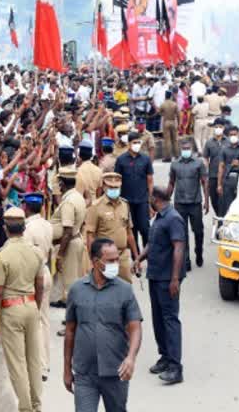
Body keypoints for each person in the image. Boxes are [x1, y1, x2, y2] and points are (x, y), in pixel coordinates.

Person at [63, 238, 142, 411]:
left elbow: (135, 327)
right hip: (85, 375)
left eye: (117, 259)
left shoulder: (125, 290)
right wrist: (67, 369)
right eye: (110, 260)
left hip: (116, 373)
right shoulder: (77, 290)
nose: (116, 263)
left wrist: (131, 358)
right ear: (95, 262)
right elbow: (70, 331)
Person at [0, 207, 44, 412]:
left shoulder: (2, 256)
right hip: (31, 305)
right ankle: (37, 404)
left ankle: (26, 408)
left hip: (12, 309)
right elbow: (40, 284)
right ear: (24, 227)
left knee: (17, 363)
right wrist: (35, 304)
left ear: (5, 228)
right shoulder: (36, 252)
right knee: (33, 359)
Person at [138, 186, 186, 384]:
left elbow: (178, 249)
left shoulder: (173, 218)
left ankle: (176, 367)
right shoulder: (159, 217)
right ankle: (165, 356)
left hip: (168, 279)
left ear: (156, 198)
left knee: (169, 320)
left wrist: (175, 279)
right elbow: (152, 243)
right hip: (156, 275)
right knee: (158, 318)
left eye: (150, 197)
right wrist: (139, 258)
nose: (149, 200)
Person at [21, 193, 53, 381]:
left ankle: (37, 366)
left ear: (26, 207)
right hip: (46, 271)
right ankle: (44, 364)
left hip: (34, 276)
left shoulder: (28, 229)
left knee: (34, 323)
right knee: (44, 321)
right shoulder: (47, 225)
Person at [85, 173, 138, 283]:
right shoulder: (96, 207)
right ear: (104, 187)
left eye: (116, 187)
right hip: (104, 258)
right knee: (104, 288)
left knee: (125, 289)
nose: (114, 189)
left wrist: (136, 257)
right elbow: (90, 236)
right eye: (111, 187)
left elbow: (129, 233)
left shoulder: (125, 205)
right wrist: (92, 260)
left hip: (122, 256)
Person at [167, 139, 209, 269]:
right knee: (182, 233)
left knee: (198, 231)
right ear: (181, 150)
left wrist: (207, 201)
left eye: (188, 148)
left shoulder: (198, 163)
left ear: (192, 150)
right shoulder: (175, 164)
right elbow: (171, 182)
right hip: (180, 203)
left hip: (195, 203)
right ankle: (186, 261)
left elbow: (204, 182)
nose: (186, 150)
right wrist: (166, 199)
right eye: (184, 148)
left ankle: (199, 252)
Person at [50, 168, 87, 311]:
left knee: (70, 282)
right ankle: (65, 302)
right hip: (74, 241)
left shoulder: (69, 202)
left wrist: (60, 255)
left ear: (62, 184)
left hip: (69, 243)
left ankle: (72, 318)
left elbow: (67, 231)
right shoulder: (77, 196)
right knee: (70, 278)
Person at [114, 133, 154, 253]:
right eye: (134, 142)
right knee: (132, 230)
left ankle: (148, 254)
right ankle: (135, 257)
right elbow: (117, 180)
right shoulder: (121, 160)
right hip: (126, 202)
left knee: (145, 228)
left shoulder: (145, 159)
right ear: (129, 144)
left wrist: (150, 201)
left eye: (138, 142)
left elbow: (150, 181)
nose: (137, 145)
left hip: (142, 200)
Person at [217, 126, 239, 217]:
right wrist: (219, 184)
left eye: (235, 134)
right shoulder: (224, 149)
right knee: (226, 206)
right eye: (231, 135)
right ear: (228, 136)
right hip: (227, 181)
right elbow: (221, 167)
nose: (233, 136)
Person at [203, 119, 227, 216]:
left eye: (220, 127)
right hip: (213, 175)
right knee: (214, 199)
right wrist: (206, 169)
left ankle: (223, 218)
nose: (218, 129)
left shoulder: (228, 142)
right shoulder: (209, 142)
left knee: (224, 199)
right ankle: (219, 216)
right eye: (216, 127)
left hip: (226, 176)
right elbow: (205, 157)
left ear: (224, 128)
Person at [75, 139, 102, 205]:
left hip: (81, 204)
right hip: (94, 204)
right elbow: (99, 192)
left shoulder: (77, 171)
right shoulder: (99, 171)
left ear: (79, 155)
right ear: (91, 155)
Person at [159, 91, 179, 162]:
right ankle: (177, 155)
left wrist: (164, 115)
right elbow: (178, 114)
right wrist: (179, 124)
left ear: (165, 96)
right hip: (173, 121)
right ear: (171, 96)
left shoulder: (163, 104)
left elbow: (159, 112)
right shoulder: (174, 104)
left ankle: (168, 157)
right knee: (175, 139)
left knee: (167, 141)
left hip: (166, 121)